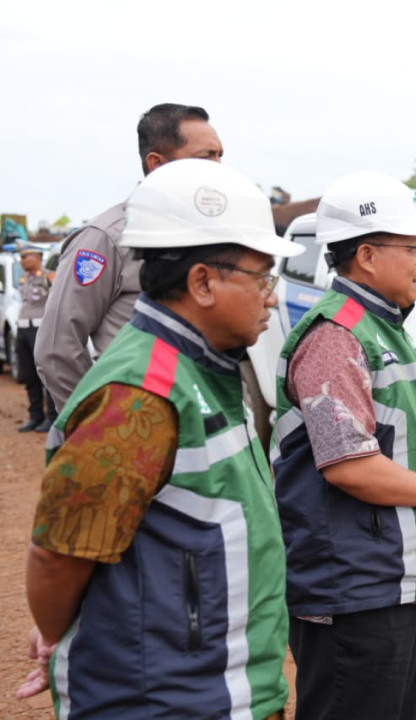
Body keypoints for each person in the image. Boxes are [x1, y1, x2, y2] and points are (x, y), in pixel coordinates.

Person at [18, 159, 302, 718]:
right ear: (201, 282)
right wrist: (60, 633)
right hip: (164, 699)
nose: (271, 297)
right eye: (262, 278)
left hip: (217, 688)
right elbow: (58, 560)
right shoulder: (139, 397)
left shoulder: (204, 369)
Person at [272, 171, 416, 720]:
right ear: (366, 255)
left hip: (385, 578)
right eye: (412, 247)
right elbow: (348, 464)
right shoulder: (335, 337)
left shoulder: (383, 327)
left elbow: (406, 428)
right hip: (353, 586)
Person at [36, 103, 224, 408]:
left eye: (220, 156)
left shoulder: (213, 233)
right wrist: (98, 422)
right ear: (157, 164)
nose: (218, 168)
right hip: (138, 428)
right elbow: (57, 348)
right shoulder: (106, 238)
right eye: (206, 157)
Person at [15, 243, 58, 432]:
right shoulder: (23, 279)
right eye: (22, 257)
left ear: (38, 257)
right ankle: (35, 415)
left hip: (40, 330)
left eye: (26, 257)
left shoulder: (49, 276)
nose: (22, 261)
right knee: (29, 375)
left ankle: (51, 417)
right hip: (23, 330)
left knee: (45, 374)